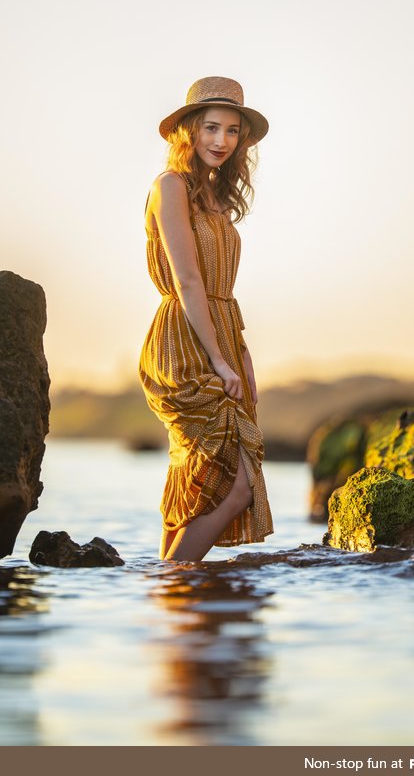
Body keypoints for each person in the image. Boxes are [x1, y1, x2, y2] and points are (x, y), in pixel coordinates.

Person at [138, 75, 274, 561]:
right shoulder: (169, 186)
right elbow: (189, 282)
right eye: (211, 128)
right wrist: (218, 359)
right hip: (184, 340)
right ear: (189, 131)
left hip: (220, 335)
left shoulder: (216, 196)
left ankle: (176, 605)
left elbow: (221, 293)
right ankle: (175, 575)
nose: (221, 141)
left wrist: (241, 354)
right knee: (235, 483)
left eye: (232, 131)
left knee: (199, 479)